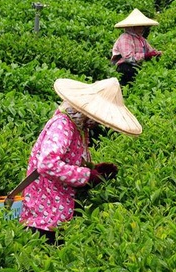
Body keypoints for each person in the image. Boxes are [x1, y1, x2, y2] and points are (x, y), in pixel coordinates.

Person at [19, 77, 142, 244]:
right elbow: (47, 164)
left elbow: (69, 159)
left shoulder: (80, 127)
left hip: (60, 210)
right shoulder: (62, 125)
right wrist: (87, 175)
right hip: (45, 216)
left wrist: (94, 169)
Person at [110, 9, 162, 86]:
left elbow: (150, 50)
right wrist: (146, 56)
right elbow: (128, 58)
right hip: (125, 68)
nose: (141, 29)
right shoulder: (125, 38)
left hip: (137, 67)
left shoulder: (142, 39)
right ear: (132, 27)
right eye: (138, 27)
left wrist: (157, 53)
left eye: (142, 26)